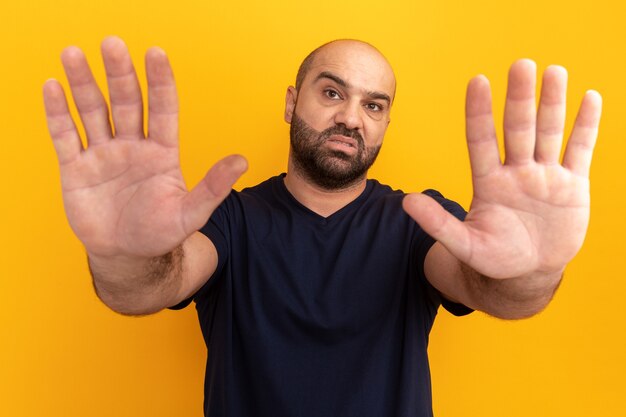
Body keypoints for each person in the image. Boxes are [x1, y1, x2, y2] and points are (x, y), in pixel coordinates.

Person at [43, 36, 602, 417]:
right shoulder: (230, 221)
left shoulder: (418, 223)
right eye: (332, 92)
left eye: (374, 105)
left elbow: (491, 287)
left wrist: (536, 270)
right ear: (292, 102)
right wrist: (122, 256)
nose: (351, 118)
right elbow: (152, 286)